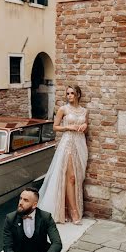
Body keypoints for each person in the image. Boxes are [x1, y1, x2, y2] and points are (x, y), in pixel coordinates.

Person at [38, 85, 88, 224]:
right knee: (70, 177)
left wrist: (84, 126)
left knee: (77, 178)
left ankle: (66, 208)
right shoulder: (63, 109)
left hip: (80, 143)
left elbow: (85, 125)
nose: (69, 95)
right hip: (68, 143)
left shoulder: (84, 111)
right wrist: (68, 127)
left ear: (78, 94)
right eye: (67, 93)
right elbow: (55, 127)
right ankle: (73, 212)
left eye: (72, 93)